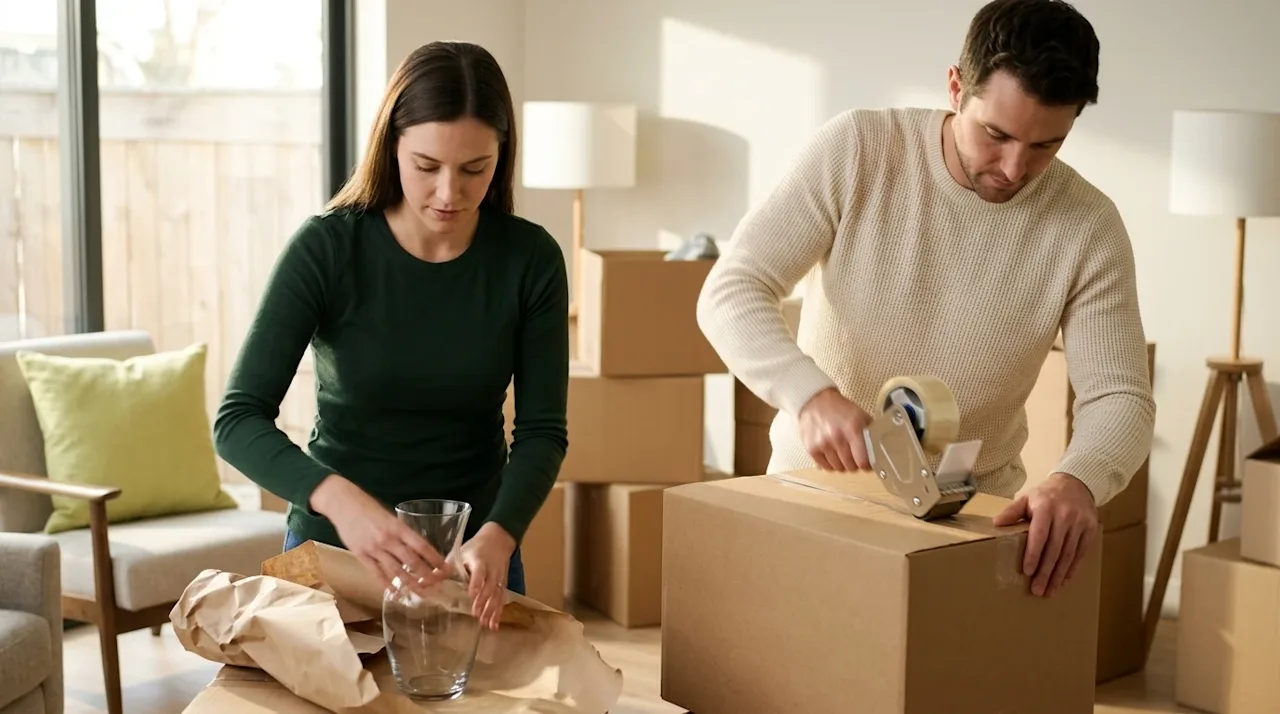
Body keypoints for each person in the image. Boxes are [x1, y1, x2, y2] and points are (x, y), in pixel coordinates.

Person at [696, 0, 1154, 599]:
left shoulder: (1089, 226)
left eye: (1047, 145)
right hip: (815, 494)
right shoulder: (858, 149)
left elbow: (1120, 394)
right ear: (956, 87)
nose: (1014, 168)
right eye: (996, 134)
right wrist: (808, 395)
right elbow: (732, 290)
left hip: (970, 524)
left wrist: (1079, 479)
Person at [213, 41, 570, 631]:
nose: (449, 193)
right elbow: (237, 421)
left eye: (474, 169)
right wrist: (342, 502)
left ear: (501, 157)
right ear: (391, 147)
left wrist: (500, 534)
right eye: (426, 166)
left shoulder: (530, 260)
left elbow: (541, 432)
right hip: (333, 549)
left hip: (472, 561)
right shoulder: (327, 248)